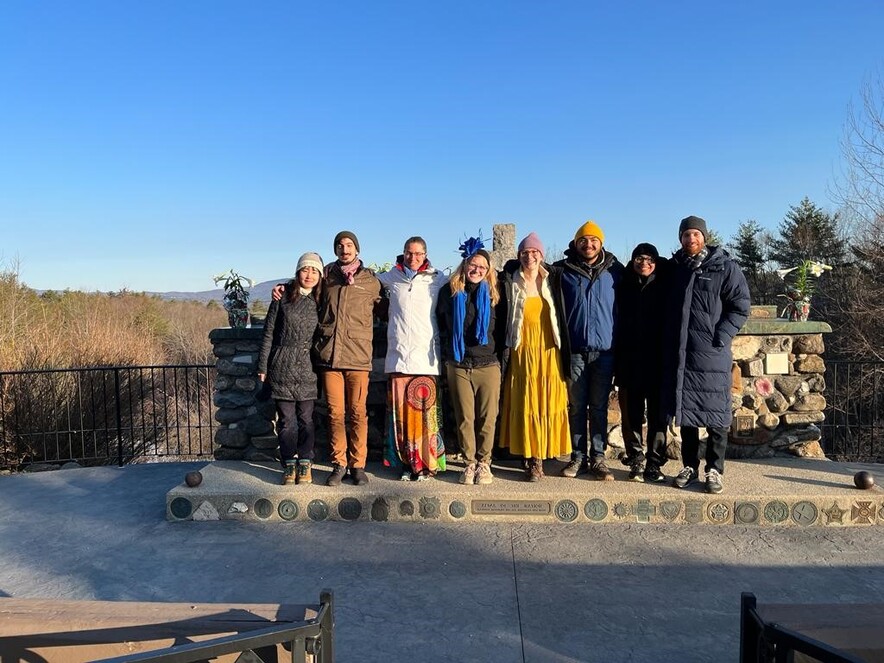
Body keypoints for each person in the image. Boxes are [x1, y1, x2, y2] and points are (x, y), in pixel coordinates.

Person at [275, 231, 382, 486]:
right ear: (335, 250)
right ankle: (339, 464)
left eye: (349, 245)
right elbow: (304, 286)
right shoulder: (327, 276)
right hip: (329, 357)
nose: (344, 249)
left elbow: (388, 306)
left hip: (358, 357)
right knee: (334, 414)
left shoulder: (371, 281)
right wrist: (283, 287)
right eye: (340, 245)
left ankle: (358, 466)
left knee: (357, 413)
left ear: (357, 249)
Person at [665, 216, 750, 494]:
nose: (691, 239)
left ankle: (715, 470)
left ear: (704, 237)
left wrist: (721, 336)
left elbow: (739, 306)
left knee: (716, 415)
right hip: (682, 354)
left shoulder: (725, 267)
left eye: (696, 234)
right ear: (681, 238)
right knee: (687, 413)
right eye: (686, 235)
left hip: (711, 353)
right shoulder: (675, 268)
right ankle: (689, 466)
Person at [552, 220, 623, 481]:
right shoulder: (561, 271)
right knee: (577, 406)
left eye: (593, 240)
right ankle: (578, 457)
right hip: (576, 351)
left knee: (599, 407)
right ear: (576, 243)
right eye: (583, 240)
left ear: (601, 243)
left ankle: (599, 458)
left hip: (605, 351)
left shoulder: (616, 271)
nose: (588, 244)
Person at [498, 232, 571, 481]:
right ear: (519, 255)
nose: (530, 256)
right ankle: (530, 459)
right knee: (525, 402)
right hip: (522, 351)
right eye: (525, 253)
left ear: (542, 255)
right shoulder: (510, 279)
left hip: (549, 351)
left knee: (547, 403)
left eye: (534, 252)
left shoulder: (554, 279)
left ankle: (542, 453)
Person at [378, 236, 449, 481]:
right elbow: (361, 282)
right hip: (398, 356)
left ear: (426, 254)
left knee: (425, 417)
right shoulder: (391, 277)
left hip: (426, 357)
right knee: (401, 417)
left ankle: (427, 464)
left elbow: (463, 284)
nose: (413, 257)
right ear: (403, 253)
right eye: (409, 253)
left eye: (418, 253)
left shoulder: (437, 278)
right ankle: (408, 464)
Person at [436, 237, 506, 485]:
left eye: (482, 267)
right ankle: (469, 463)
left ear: (488, 271)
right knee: (465, 417)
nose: (476, 270)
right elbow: (443, 325)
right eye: (472, 265)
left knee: (488, 417)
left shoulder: (497, 294)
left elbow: (503, 329)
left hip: (488, 364)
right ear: (464, 265)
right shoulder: (450, 292)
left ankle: (485, 463)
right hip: (459, 364)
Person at [258, 252, 323, 485]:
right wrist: (262, 366)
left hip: (308, 367)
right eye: (306, 269)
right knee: (286, 420)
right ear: (298, 272)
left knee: (306, 418)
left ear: (320, 275)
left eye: (314, 270)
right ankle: (289, 462)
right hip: (281, 363)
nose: (309, 274)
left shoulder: (322, 299)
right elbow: (268, 333)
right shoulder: (282, 297)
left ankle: (306, 462)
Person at [615, 243, 670, 482]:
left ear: (656, 261)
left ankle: (655, 463)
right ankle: (636, 460)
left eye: (649, 259)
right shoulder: (623, 282)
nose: (644, 263)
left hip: (658, 362)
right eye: (639, 258)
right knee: (631, 416)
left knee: (659, 418)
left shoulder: (666, 283)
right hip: (629, 361)